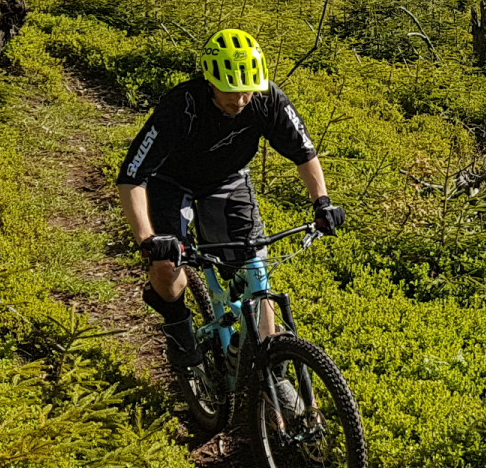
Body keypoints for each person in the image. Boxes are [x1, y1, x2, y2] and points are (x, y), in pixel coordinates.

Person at [115, 28, 346, 383]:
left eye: (247, 92)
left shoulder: (268, 99)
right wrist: (148, 239)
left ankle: (271, 374)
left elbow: (304, 152)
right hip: (171, 182)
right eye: (230, 91)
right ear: (210, 81)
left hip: (228, 179)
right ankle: (177, 324)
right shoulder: (182, 105)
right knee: (167, 267)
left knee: (256, 271)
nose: (240, 101)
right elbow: (132, 176)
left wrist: (323, 202)